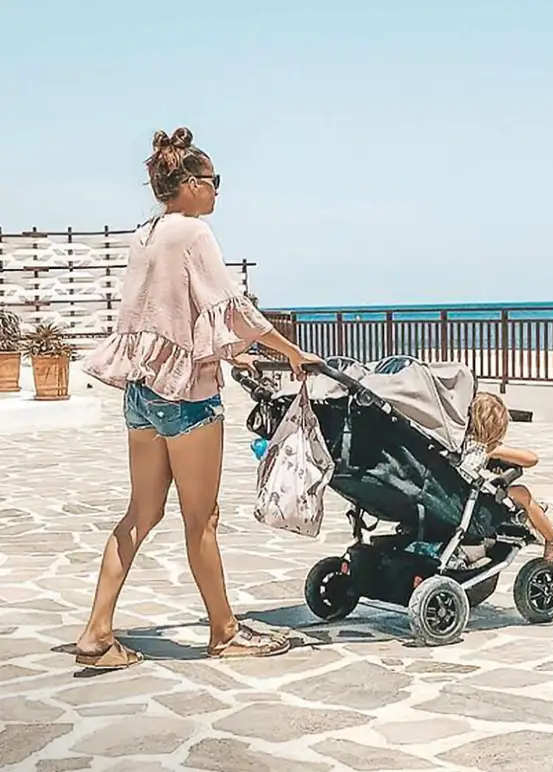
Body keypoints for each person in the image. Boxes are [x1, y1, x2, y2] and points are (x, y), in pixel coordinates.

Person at [75, 127, 320, 669]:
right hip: (187, 401)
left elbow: (172, 313)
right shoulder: (193, 233)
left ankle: (96, 632)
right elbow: (232, 309)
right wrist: (292, 352)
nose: (216, 192)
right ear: (186, 184)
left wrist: (231, 355)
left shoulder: (145, 234)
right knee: (201, 520)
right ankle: (225, 631)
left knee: (140, 512)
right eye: (212, 182)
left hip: (141, 393)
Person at [463, 392, 553, 561]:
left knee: (516, 496)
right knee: (522, 493)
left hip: (456, 496)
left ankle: (535, 515)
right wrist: (496, 448)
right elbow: (531, 459)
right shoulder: (487, 447)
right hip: (472, 507)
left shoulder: (459, 442)